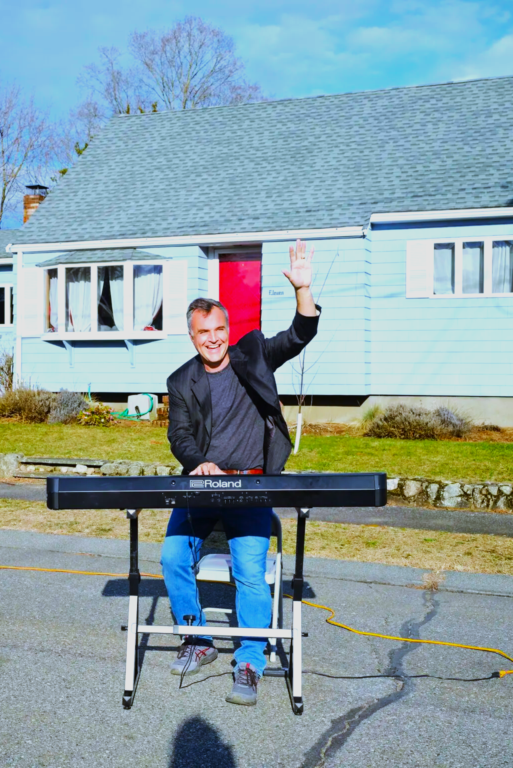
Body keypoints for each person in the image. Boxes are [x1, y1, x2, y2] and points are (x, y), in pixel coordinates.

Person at [162, 239, 320, 706]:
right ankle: (198, 640)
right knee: (173, 557)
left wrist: (303, 290)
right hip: (205, 485)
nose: (212, 338)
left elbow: (300, 334)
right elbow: (180, 435)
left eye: (218, 329)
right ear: (191, 336)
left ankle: (251, 660)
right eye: (202, 332)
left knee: (250, 571)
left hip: (252, 482)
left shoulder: (253, 353)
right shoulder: (181, 380)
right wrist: (198, 463)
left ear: (228, 329)